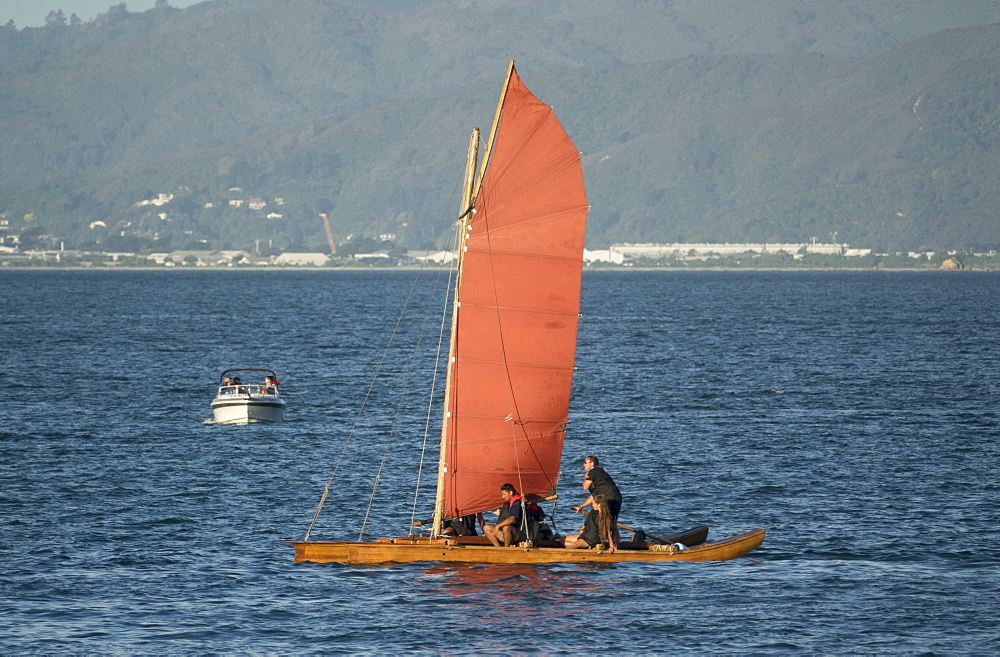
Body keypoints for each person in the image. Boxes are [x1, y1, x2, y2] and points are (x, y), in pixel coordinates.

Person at [573, 455, 622, 545]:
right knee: (611, 522)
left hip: (611, 499)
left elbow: (585, 487)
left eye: (585, 463)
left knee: (610, 521)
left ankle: (614, 545)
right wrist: (580, 506)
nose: (583, 464)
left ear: (592, 463)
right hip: (612, 497)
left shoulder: (593, 471)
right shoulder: (598, 473)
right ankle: (608, 543)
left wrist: (585, 477)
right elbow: (593, 496)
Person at [483, 483, 539, 547]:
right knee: (486, 527)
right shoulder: (507, 504)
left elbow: (512, 519)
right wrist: (493, 531)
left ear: (511, 492)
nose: (502, 497)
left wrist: (497, 526)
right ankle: (499, 548)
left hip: (518, 534)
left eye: (504, 494)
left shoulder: (517, 503)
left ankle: (507, 549)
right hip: (506, 533)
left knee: (506, 527)